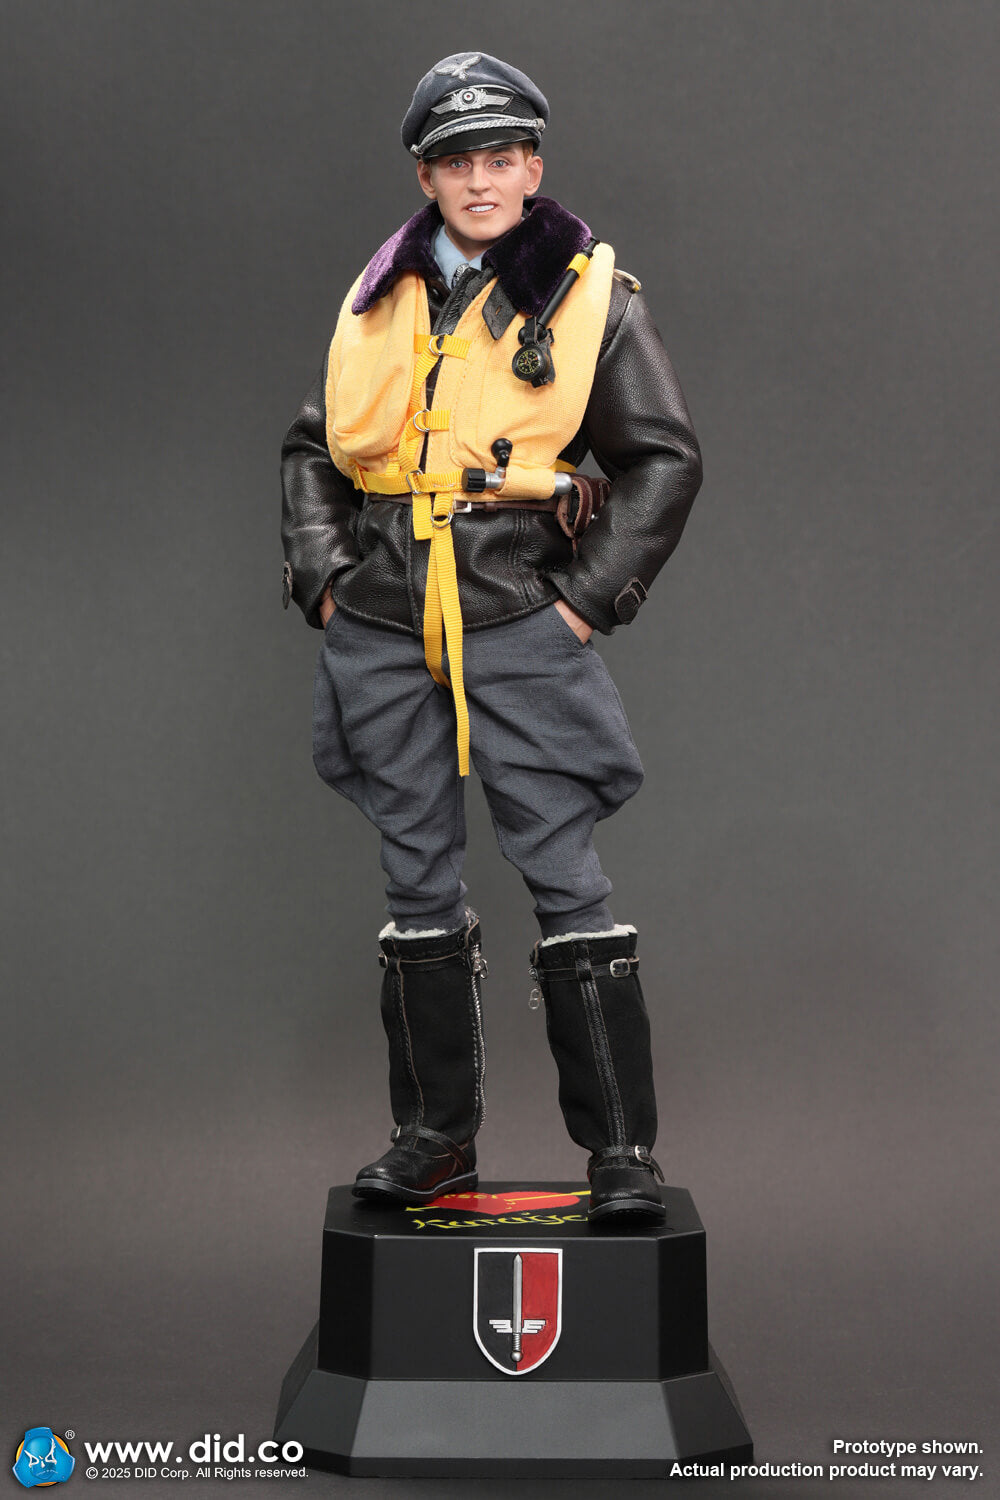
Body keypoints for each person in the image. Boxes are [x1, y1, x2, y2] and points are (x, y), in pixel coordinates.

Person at [280, 52, 702, 1222]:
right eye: (458, 160)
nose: (481, 179)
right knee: (414, 877)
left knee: (565, 872)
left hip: (518, 612)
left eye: (502, 157)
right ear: (425, 175)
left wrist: (583, 602)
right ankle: (434, 1138)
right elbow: (317, 445)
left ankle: (621, 1153)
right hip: (381, 617)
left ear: (533, 167)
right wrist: (324, 580)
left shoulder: (590, 299)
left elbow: (663, 459)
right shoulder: (380, 298)